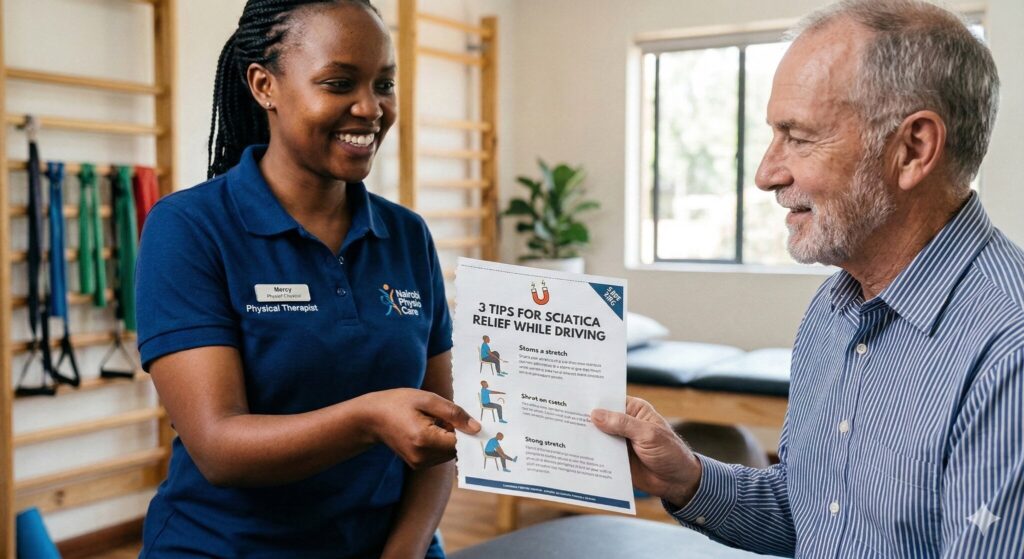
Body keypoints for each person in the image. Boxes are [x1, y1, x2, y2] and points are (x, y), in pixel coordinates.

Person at [593, 1, 1023, 557]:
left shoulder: (1009, 352)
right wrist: (686, 478)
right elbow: (813, 516)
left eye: (797, 137)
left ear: (913, 149)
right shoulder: (833, 309)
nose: (766, 173)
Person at [134, 2, 480, 557]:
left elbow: (446, 429)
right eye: (339, 82)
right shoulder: (189, 228)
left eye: (384, 83)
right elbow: (219, 447)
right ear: (264, 85)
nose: (370, 108)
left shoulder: (407, 235)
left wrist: (406, 551)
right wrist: (368, 419)